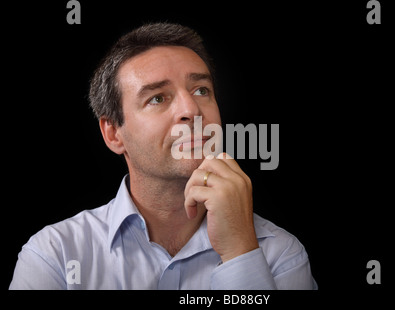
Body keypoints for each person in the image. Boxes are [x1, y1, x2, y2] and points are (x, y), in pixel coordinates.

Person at [9, 23, 317, 289]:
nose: (191, 110)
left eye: (201, 91)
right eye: (158, 97)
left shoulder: (280, 254)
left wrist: (240, 252)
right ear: (114, 133)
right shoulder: (56, 255)